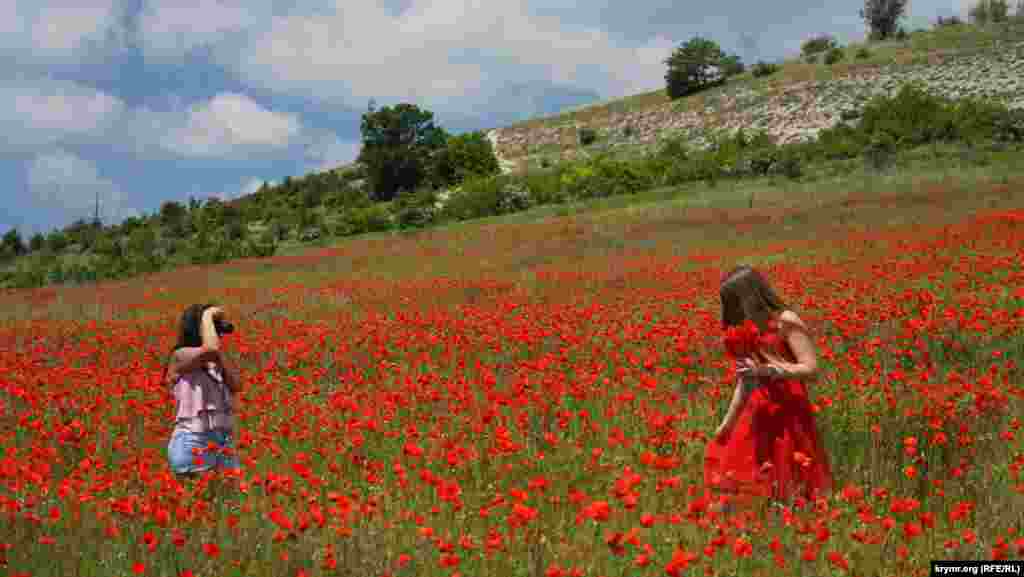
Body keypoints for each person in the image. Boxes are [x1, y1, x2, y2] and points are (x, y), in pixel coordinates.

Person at [704, 265, 832, 513]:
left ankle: (793, 518)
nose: (731, 311)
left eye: (733, 302)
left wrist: (776, 370)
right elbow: (745, 381)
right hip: (756, 411)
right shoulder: (745, 330)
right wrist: (727, 424)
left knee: (790, 475)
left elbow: (812, 368)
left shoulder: (786, 321)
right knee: (743, 478)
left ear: (750, 295)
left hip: (789, 410)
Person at [164, 303, 242, 476]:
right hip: (193, 442)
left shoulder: (217, 359)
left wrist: (220, 357)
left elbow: (236, 385)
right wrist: (208, 314)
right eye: (212, 325)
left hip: (223, 442)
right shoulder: (180, 356)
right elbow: (210, 349)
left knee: (227, 502)